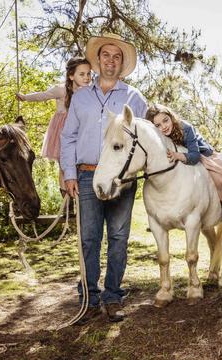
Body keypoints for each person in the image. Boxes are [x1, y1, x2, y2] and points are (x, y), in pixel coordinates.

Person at [60, 33, 147, 324]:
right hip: (86, 175)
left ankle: (112, 297)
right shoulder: (81, 97)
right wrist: (69, 173)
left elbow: (145, 139)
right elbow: (68, 137)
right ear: (98, 61)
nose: (111, 60)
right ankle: (88, 299)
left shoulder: (135, 98)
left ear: (122, 63)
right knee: (89, 239)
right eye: (106, 55)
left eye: (117, 56)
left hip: (122, 179)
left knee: (119, 238)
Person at [145, 103, 222, 236]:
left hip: (201, 153)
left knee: (220, 179)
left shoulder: (185, 128)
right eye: (158, 125)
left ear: (171, 117)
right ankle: (160, 218)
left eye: (165, 120)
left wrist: (178, 155)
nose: (164, 127)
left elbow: (194, 156)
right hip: (180, 157)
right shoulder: (158, 137)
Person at [16, 57, 92, 195]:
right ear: (71, 75)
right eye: (82, 74)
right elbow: (43, 95)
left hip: (81, 129)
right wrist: (25, 97)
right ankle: (67, 199)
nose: (86, 78)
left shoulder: (88, 92)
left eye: (88, 74)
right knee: (64, 165)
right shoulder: (61, 90)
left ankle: (81, 195)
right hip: (62, 129)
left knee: (80, 163)